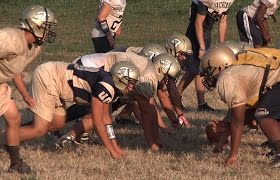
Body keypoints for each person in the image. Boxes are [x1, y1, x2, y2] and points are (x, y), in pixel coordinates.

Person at [200, 46, 280, 168]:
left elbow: (238, 120)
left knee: (262, 114)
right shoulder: (238, 71)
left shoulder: (226, 78)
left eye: (208, 70)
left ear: (220, 66)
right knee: (277, 117)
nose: (207, 76)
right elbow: (248, 114)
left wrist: (233, 154)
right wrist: (222, 140)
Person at [1, 61, 140, 161]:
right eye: (130, 82)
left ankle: (11, 137)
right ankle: (6, 140)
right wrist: (111, 151)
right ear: (120, 77)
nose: (132, 87)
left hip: (56, 80)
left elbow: (106, 119)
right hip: (50, 77)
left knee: (57, 123)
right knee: (40, 129)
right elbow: (98, 123)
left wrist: (116, 147)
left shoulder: (111, 86)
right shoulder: (106, 86)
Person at [60, 52, 162, 152]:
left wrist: (156, 139)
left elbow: (149, 110)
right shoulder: (143, 80)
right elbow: (146, 111)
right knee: (99, 113)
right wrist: (152, 142)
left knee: (104, 112)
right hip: (91, 68)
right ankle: (66, 134)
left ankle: (76, 133)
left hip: (107, 69)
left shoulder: (147, 78)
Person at [0, 5, 57, 174]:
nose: (48, 33)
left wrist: (25, 95)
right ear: (35, 25)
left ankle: (15, 163)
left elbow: (14, 70)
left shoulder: (34, 48)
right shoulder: (10, 38)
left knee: (14, 118)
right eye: (46, 28)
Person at [177, 0, 235, 111]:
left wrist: (222, 45)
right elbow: (198, 23)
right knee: (194, 69)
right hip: (196, 31)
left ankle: (201, 104)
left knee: (202, 68)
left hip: (206, 30)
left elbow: (223, 21)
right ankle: (175, 96)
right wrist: (202, 48)